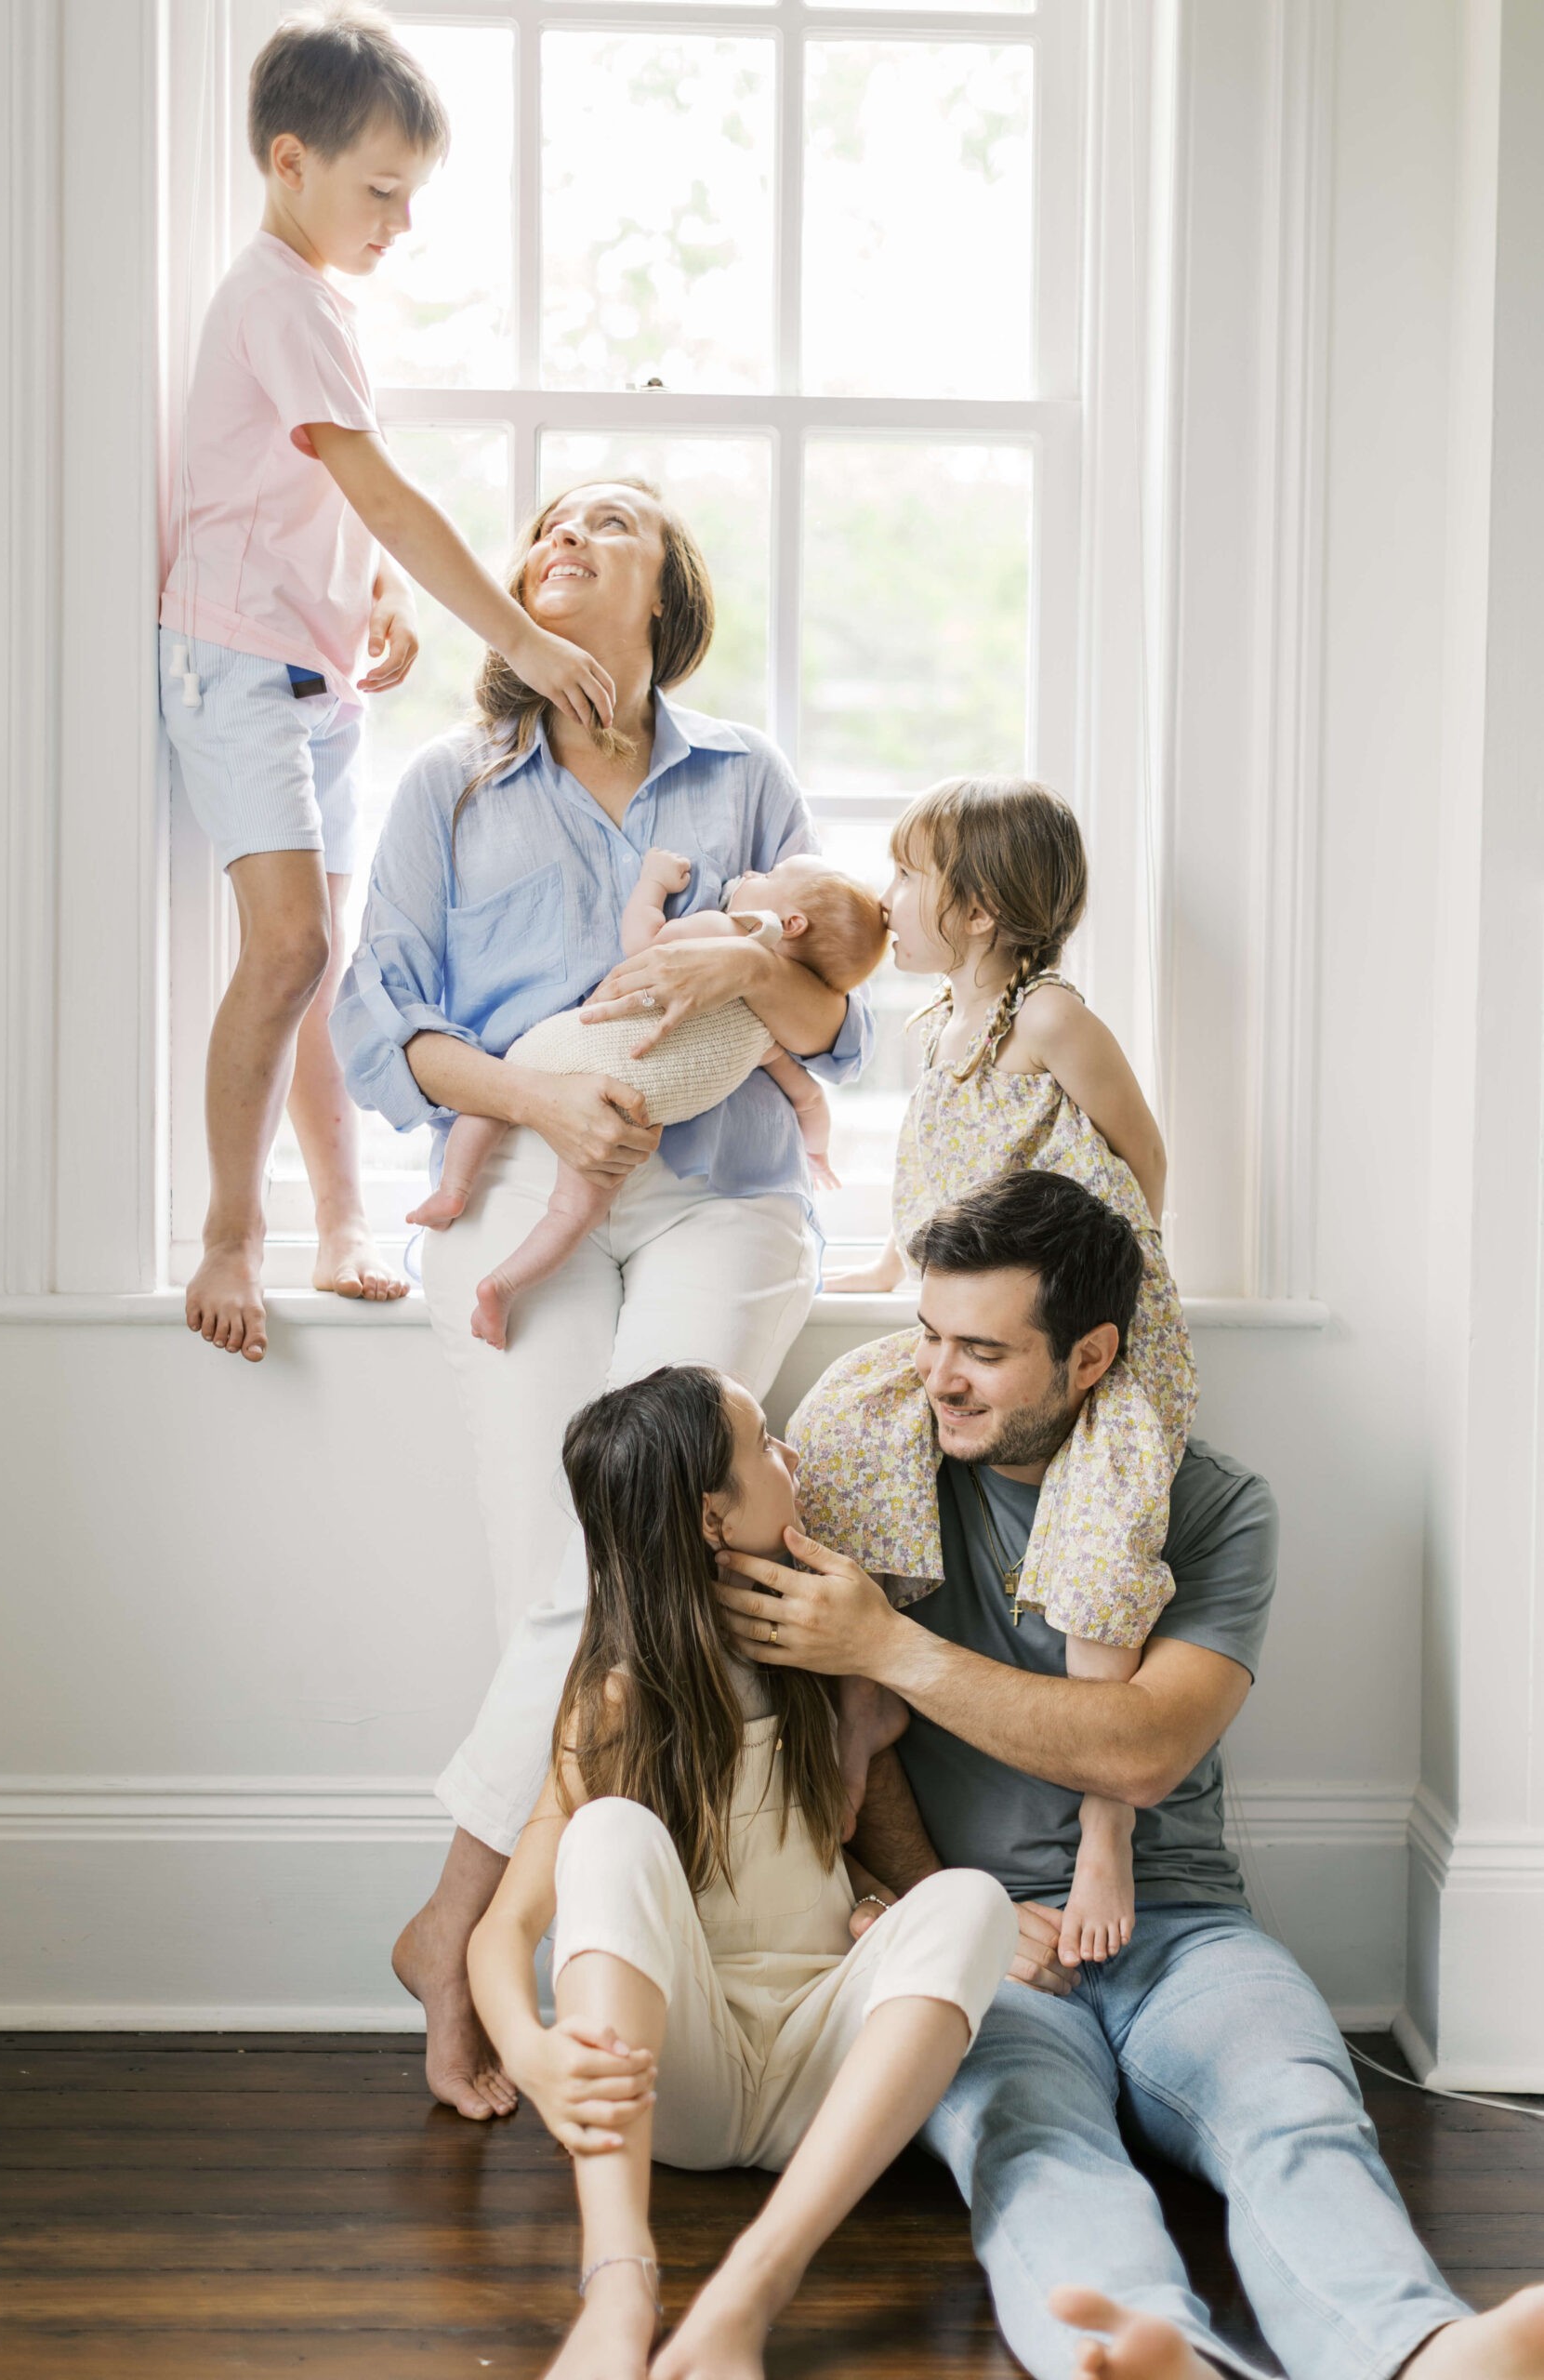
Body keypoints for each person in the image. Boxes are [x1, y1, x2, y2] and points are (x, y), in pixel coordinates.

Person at [717, 1167, 1520, 2380]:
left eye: (981, 1351)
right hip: (977, 1944)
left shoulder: (1210, 1506)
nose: (937, 1377)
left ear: (1087, 1358)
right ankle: (1151, 2364)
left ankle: (1416, 2355)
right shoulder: (877, 1480)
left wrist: (884, 1641)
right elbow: (850, 1740)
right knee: (1029, 2150)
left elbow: (1145, 1749)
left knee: (1294, 2111)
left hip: (1179, 1925)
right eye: (929, 1336)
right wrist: (956, 1913)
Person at [331, 477, 871, 2118]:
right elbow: (377, 1032)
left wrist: (736, 968)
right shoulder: (446, 782)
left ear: (665, 595)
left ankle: (465, 1930)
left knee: (643, 1541)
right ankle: (517, 1939)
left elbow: (839, 1012)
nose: (563, 537)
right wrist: (527, 1099)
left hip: (720, 1200)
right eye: (545, 523)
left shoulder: (747, 779)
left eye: (610, 523)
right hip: (515, 1186)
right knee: (574, 1573)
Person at [160, 4, 615, 1363]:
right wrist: (519, 642)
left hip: (318, 677)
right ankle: (230, 1227)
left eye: (412, 194)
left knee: (331, 963)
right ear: (288, 162)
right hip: (235, 664)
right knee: (287, 948)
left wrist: (375, 596)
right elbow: (381, 486)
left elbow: (315, 493)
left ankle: (341, 1218)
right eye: (380, 191)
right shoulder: (274, 295)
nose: (399, 221)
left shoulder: (320, 306)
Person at [469, 1365, 1017, 2380]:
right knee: (608, 1835)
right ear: (712, 1518)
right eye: (765, 1443)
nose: (792, 1455)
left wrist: (882, 1914)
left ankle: (748, 2292)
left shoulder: (819, 1654)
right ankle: (619, 2280)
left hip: (826, 2070)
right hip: (684, 2077)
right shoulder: (620, 1699)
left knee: (971, 1901)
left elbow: (861, 1861)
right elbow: (500, 1930)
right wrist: (530, 2049)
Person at [817, 777, 1196, 1965]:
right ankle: (866, 1689)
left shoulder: (1050, 1021)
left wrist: (1100, 1287)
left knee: (1096, 1531)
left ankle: (1104, 1828)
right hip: (981, 1302)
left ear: (978, 909)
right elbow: (937, 1178)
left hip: (1092, 1327)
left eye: (908, 878)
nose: (889, 900)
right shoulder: (940, 1029)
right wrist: (896, 1261)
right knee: (846, 1420)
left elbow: (1141, 1153)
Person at [407, 849, 884, 1344]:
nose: (751, 874)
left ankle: (453, 1190)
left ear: (787, 923)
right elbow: (808, 1098)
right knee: (569, 1213)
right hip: (625, 1113)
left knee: (494, 1099)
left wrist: (652, 884)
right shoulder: (766, 1033)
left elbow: (643, 943)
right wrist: (817, 1151)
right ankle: (503, 1285)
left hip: (575, 1051)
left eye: (769, 876)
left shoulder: (722, 935)